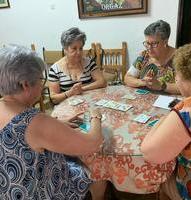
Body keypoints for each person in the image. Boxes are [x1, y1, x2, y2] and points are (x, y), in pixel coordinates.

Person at [0, 45, 104, 200]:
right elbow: (94, 144)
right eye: (41, 80)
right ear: (25, 84)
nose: (43, 86)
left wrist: (56, 125)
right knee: (99, 170)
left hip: (9, 189)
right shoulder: (35, 121)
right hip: (43, 192)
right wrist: (96, 117)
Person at [141, 42, 191, 200]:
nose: (176, 79)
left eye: (177, 75)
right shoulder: (143, 57)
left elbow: (150, 153)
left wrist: (171, 114)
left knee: (161, 177)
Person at [48, 27, 106, 104]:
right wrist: (70, 93)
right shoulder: (55, 69)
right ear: (65, 49)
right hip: (67, 108)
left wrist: (82, 89)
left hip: (89, 103)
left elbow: (102, 82)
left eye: (81, 48)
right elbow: (54, 99)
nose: (78, 52)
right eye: (74, 48)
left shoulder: (89, 63)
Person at [124, 20, 179, 94]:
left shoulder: (180, 58)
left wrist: (161, 85)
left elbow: (188, 88)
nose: (149, 48)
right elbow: (127, 78)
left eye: (153, 44)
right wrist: (143, 82)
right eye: (147, 43)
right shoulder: (144, 56)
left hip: (170, 103)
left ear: (165, 42)